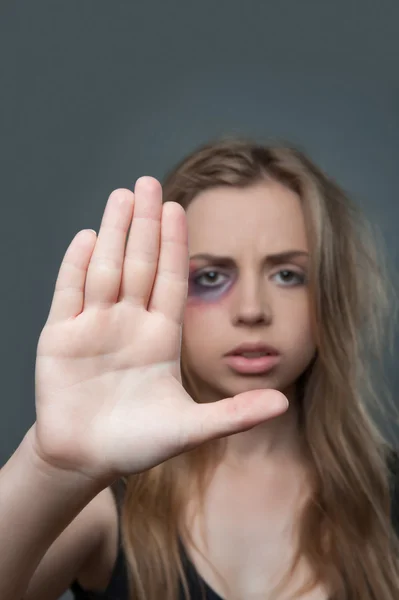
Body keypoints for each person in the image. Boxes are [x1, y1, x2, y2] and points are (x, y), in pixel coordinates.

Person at [0, 138, 398, 600]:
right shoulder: (104, 504)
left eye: (288, 275)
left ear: (330, 293)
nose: (252, 310)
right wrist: (51, 466)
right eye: (210, 277)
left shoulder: (386, 496)